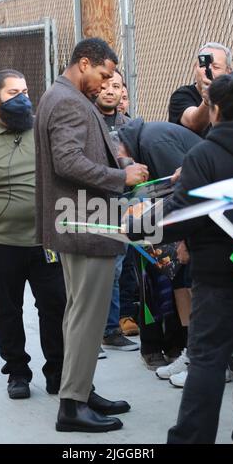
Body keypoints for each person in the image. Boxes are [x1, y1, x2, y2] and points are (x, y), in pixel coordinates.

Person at [128, 73, 233, 444]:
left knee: (207, 361)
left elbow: (180, 213)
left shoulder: (205, 155)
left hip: (217, 283)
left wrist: (138, 225)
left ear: (214, 110)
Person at [35, 38, 149, 433]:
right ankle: (72, 407)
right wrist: (122, 176)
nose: (104, 84)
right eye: (102, 75)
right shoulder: (67, 100)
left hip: (80, 221)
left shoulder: (61, 95)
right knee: (87, 316)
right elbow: (68, 162)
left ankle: (80, 390)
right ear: (84, 63)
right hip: (87, 224)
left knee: (78, 313)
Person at [0, 69, 66, 399]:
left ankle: (58, 371)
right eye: (13, 93)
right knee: (7, 309)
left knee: (56, 305)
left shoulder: (41, 130)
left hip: (44, 239)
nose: (22, 98)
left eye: (25, 91)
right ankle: (17, 372)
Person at [117, 118, 201, 371]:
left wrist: (185, 241)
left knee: (185, 285)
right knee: (163, 284)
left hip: (186, 223)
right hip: (160, 222)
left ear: (120, 147)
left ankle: (192, 352)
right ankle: (174, 349)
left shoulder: (154, 141)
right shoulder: (144, 141)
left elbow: (181, 195)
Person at [95, 69, 139, 352]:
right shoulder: (87, 120)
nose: (111, 90)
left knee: (120, 267)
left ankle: (111, 328)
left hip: (126, 203)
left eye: (117, 86)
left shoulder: (131, 125)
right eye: (105, 85)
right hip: (95, 203)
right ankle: (92, 332)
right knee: (96, 271)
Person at [169, 42, 232, 137]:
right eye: (203, 65)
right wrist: (207, 101)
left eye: (216, 67)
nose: (208, 71)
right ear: (195, 67)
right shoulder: (182, 95)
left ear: (228, 72)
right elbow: (194, 124)